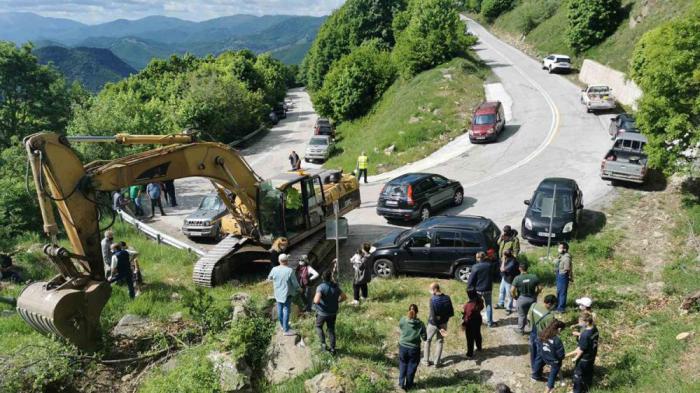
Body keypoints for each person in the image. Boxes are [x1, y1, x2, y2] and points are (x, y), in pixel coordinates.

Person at [313, 268, 346, 355]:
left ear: (322, 278)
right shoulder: (336, 286)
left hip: (322, 313)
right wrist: (337, 301)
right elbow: (344, 297)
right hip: (333, 312)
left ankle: (323, 344)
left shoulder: (321, 287)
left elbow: (316, 301)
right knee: (331, 330)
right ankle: (332, 349)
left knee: (318, 326)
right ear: (331, 277)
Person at [268, 253, 300, 335]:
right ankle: (286, 330)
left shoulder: (274, 269)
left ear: (279, 261)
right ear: (287, 261)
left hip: (277, 293)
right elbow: (295, 284)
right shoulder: (290, 270)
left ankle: (283, 325)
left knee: (279, 309)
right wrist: (300, 289)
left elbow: (269, 278)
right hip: (287, 294)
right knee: (286, 310)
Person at [566, 312, 599, 393]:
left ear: (587, 322)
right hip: (592, 355)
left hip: (584, 359)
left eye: (580, 322)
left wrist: (573, 357)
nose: (579, 323)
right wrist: (579, 334)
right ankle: (587, 387)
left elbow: (580, 350)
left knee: (578, 375)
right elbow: (589, 339)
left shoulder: (585, 335)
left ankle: (576, 390)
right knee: (589, 372)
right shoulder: (595, 328)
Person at [528, 294, 557, 382]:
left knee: (533, 351)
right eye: (553, 305)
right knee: (540, 355)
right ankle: (536, 374)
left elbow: (528, 317)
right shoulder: (549, 316)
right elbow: (550, 330)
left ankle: (533, 368)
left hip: (533, 332)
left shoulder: (534, 305)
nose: (553, 307)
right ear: (549, 304)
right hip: (541, 336)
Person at [424, 282, 454, 367]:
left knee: (427, 340)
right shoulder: (447, 298)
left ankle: (426, 361)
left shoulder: (432, 299)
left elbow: (433, 316)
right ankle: (437, 363)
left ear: (434, 289)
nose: (430, 292)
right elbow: (451, 313)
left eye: (430, 290)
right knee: (440, 342)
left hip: (433, 324)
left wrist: (437, 326)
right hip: (443, 324)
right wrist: (443, 322)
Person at [398, 304, 427, 390]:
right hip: (414, 349)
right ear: (417, 312)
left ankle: (401, 383)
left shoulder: (403, 320)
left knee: (403, 364)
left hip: (403, 346)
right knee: (412, 365)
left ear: (408, 311)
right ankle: (409, 385)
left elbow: (401, 326)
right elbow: (425, 337)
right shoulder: (420, 324)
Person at [510, 261, 542, 334]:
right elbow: (540, 288)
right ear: (527, 268)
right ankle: (534, 330)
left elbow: (512, 291)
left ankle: (521, 330)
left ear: (519, 269)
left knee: (522, 315)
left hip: (522, 299)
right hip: (532, 298)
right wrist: (536, 294)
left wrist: (515, 297)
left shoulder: (517, 278)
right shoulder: (534, 276)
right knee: (532, 314)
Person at [467, 251, 496, 327]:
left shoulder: (475, 267)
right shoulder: (489, 265)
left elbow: (471, 280)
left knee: (476, 306)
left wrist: (469, 288)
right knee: (488, 305)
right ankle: (490, 323)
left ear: (479, 258)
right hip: (488, 289)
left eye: (476, 257)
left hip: (478, 290)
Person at [539, 320, 567, 393]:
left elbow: (539, 345)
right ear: (559, 329)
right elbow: (561, 355)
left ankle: (561, 379)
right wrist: (562, 357)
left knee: (556, 365)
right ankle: (548, 389)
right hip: (554, 361)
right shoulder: (557, 340)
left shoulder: (543, 334)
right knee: (552, 376)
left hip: (545, 357)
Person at [496, 249, 519, 314]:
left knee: (509, 294)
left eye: (503, 255)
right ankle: (501, 304)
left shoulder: (513, 261)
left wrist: (503, 260)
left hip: (510, 280)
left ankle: (509, 308)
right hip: (505, 278)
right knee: (501, 291)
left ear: (506, 255)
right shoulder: (508, 259)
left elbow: (502, 269)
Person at [462, 289, 483, 358]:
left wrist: (464, 324)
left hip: (470, 323)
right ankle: (479, 347)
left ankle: (469, 354)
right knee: (477, 334)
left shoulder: (468, 305)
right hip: (478, 319)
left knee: (470, 338)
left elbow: (467, 316)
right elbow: (481, 307)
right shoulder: (479, 300)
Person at [554, 242, 572, 313]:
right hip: (559, 274)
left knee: (562, 292)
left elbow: (567, 268)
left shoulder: (567, 257)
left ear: (565, 249)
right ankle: (558, 305)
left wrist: (563, 274)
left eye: (560, 247)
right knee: (559, 291)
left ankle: (561, 308)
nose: (559, 249)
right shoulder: (561, 256)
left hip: (563, 276)